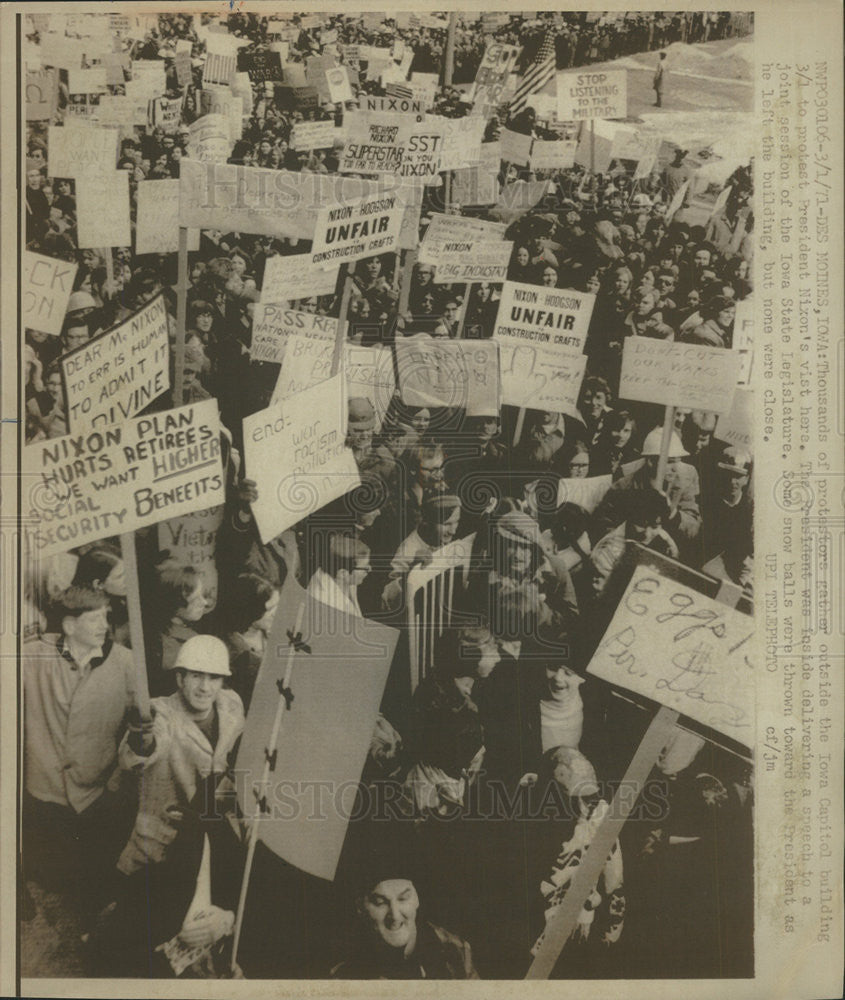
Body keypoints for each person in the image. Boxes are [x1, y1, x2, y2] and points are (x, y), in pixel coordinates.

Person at [22, 587, 138, 917]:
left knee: (92, 873)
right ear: (70, 626)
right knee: (51, 875)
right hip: (46, 789)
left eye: (106, 616)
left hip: (96, 789)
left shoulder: (126, 662)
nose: (105, 624)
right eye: (95, 618)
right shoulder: (33, 657)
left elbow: (139, 723)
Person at [116, 635, 245, 877]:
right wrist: (141, 737)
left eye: (214, 678)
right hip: (165, 843)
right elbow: (140, 753)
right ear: (180, 678)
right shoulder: (160, 712)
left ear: (222, 682)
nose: (205, 687)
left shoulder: (232, 704)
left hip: (220, 835)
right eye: (196, 675)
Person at [331, 869, 479, 978]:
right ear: (360, 908)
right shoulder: (343, 970)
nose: (395, 915)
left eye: (403, 899)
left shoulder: (456, 954)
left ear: (416, 900)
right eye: (380, 903)